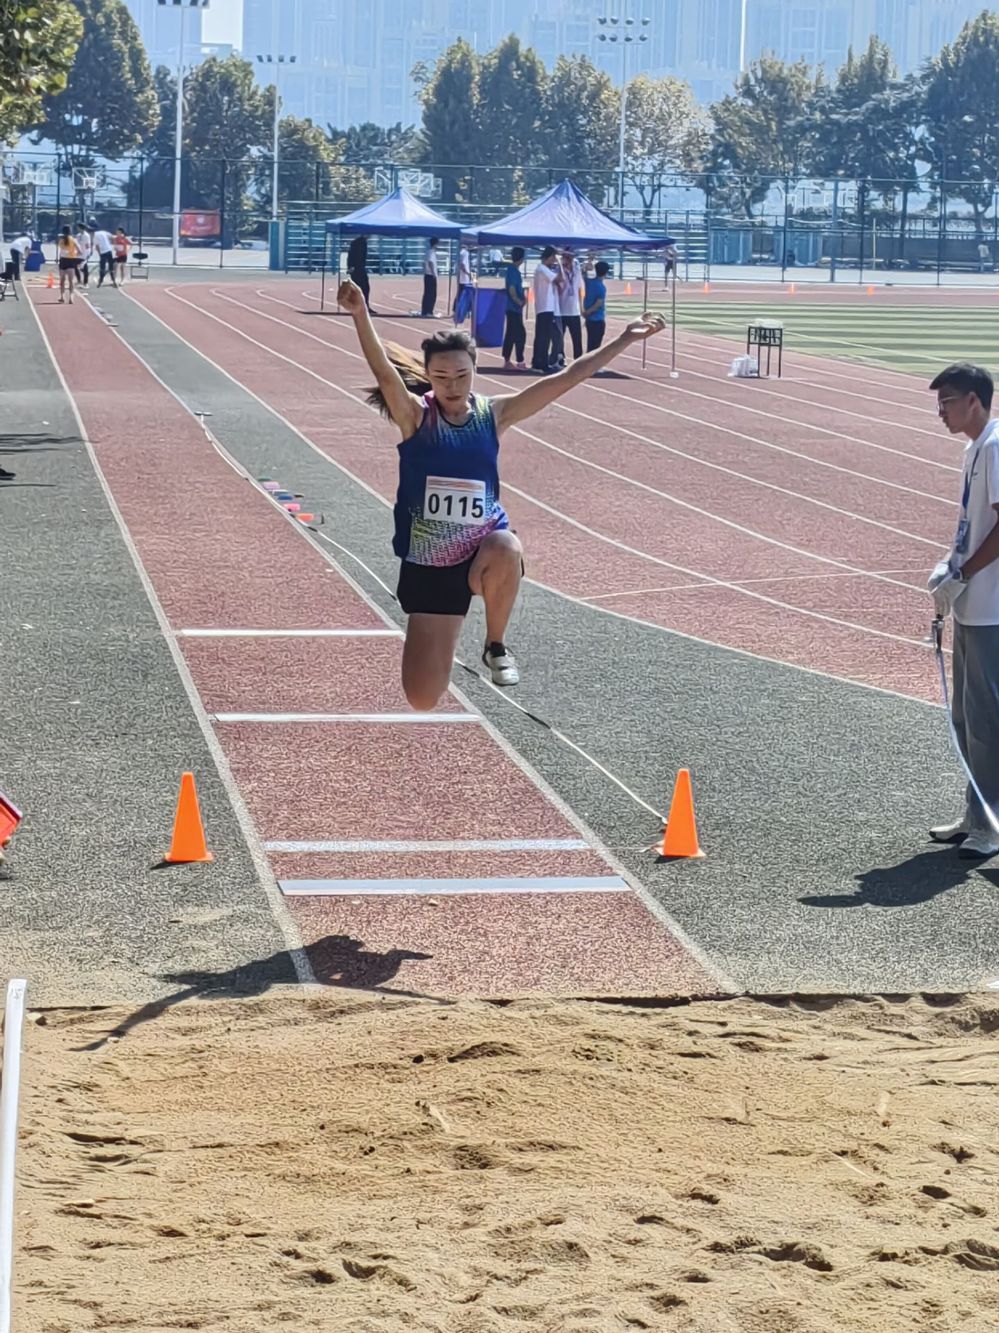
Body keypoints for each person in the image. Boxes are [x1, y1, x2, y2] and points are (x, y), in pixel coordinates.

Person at [337, 275, 666, 709]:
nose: (452, 385)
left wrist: (624, 339)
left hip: (482, 551)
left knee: (507, 545)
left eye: (462, 375)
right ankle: (451, 635)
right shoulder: (416, 417)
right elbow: (383, 372)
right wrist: (360, 314)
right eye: (441, 376)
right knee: (422, 697)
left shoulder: (494, 414)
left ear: (474, 370)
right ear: (428, 376)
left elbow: (568, 377)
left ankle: (495, 644)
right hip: (431, 562)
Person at [927, 363, 999, 860]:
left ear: (974, 399)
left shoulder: (994, 447)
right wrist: (949, 567)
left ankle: (991, 823)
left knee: (985, 719)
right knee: (965, 717)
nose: (941, 411)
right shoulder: (975, 449)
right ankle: (977, 813)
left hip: (991, 607)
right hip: (972, 605)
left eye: (947, 401)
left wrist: (965, 573)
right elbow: (970, 525)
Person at [530, 246, 563, 374]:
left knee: (543, 336)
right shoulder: (542, 269)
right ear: (549, 257)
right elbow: (560, 278)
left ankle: (539, 362)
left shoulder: (543, 269)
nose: (554, 260)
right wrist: (560, 264)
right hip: (545, 307)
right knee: (543, 337)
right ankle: (541, 363)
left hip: (546, 307)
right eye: (553, 257)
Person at [502, 246, 527, 371]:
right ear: (521, 258)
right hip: (513, 308)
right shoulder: (513, 271)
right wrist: (519, 301)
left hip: (515, 308)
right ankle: (519, 360)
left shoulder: (513, 270)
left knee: (512, 334)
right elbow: (511, 289)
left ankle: (508, 359)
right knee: (519, 334)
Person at [556, 248, 584, 363]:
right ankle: (560, 358)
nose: (569, 260)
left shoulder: (577, 271)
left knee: (577, 338)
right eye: (566, 258)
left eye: (571, 258)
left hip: (574, 310)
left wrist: (581, 306)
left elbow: (579, 289)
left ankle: (578, 361)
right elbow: (558, 289)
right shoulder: (558, 271)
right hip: (562, 310)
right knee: (559, 338)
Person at [583, 260, 610, 352]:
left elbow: (583, 274)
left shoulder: (589, 282)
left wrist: (587, 265)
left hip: (590, 320)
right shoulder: (601, 287)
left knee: (590, 344)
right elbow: (598, 304)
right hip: (597, 319)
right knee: (595, 347)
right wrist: (588, 312)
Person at [346, 233, 373, 311]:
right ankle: (360, 305)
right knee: (361, 287)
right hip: (356, 268)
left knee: (364, 288)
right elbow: (351, 255)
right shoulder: (357, 243)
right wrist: (350, 266)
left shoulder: (363, 242)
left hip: (360, 268)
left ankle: (363, 305)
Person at [56, 225, 82, 303]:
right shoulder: (73, 240)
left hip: (63, 260)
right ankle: (71, 297)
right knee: (71, 280)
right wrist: (74, 255)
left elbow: (61, 250)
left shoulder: (61, 240)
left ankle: (62, 296)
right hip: (71, 260)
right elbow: (80, 251)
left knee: (62, 280)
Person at [92, 223, 117, 287]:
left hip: (103, 252)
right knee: (110, 267)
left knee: (102, 267)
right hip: (109, 250)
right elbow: (112, 237)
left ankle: (100, 281)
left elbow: (97, 246)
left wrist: (100, 254)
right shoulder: (103, 232)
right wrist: (112, 244)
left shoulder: (95, 236)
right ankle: (113, 281)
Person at [422, 236, 439, 317]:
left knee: (427, 293)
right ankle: (429, 311)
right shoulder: (431, 252)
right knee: (431, 294)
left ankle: (425, 311)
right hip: (430, 275)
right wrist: (433, 273)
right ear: (435, 244)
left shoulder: (428, 252)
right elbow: (430, 262)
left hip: (427, 275)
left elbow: (424, 263)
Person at [74, 222, 92, 287]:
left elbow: (87, 245)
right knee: (75, 267)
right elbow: (76, 244)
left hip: (84, 254)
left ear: (81, 228)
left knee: (84, 268)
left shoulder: (86, 235)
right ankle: (79, 280)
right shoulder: (78, 235)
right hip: (77, 254)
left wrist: (88, 253)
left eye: (78, 227)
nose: (77, 228)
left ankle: (85, 282)